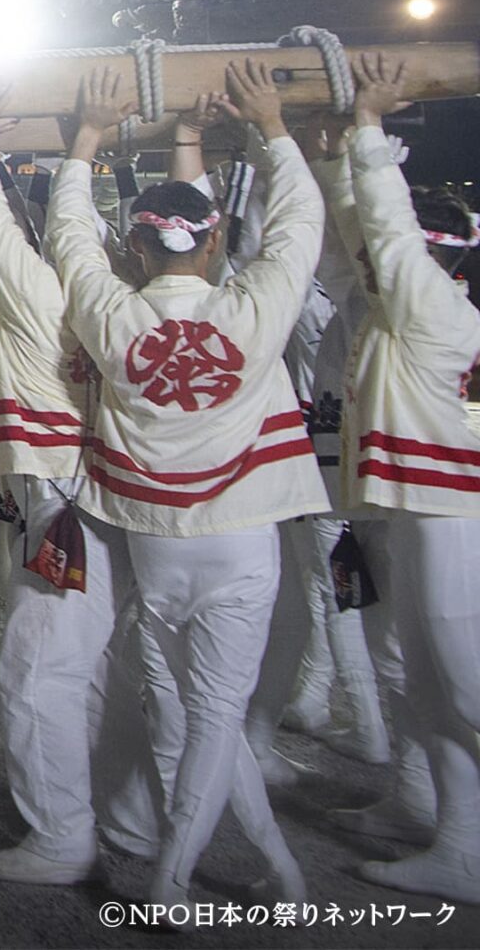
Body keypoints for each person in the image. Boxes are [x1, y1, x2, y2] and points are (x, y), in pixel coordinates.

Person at [48, 62, 322, 908]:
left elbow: (67, 231)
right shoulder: (255, 308)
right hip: (240, 543)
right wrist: (273, 125)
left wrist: (89, 135)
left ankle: (282, 870)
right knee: (214, 719)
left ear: (134, 246)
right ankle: (171, 876)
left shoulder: (111, 309)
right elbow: (300, 221)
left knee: (202, 717)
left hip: (156, 545)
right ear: (213, 242)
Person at [0, 81, 154, 884]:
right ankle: (124, 812)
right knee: (103, 662)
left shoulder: (37, 289)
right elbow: (11, 224)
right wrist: (83, 144)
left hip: (59, 498)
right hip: (94, 489)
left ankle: (64, 833)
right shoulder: (108, 294)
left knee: (34, 671)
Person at [323, 52, 480, 905]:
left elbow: (382, 227)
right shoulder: (404, 299)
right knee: (421, 676)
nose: (377, 259)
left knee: (462, 678)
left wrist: (371, 125)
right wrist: (335, 148)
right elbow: (365, 230)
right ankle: (453, 835)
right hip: (409, 510)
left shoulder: (429, 303)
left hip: (448, 515)